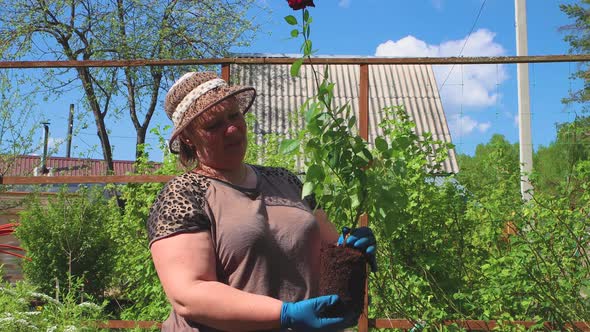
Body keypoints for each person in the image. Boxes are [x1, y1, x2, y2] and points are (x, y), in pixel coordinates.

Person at [147, 71, 377, 331]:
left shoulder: (285, 181)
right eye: (214, 125)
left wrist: (352, 249)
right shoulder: (183, 194)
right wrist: (284, 314)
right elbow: (189, 294)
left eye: (234, 115)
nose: (232, 129)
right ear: (188, 137)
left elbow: (329, 250)